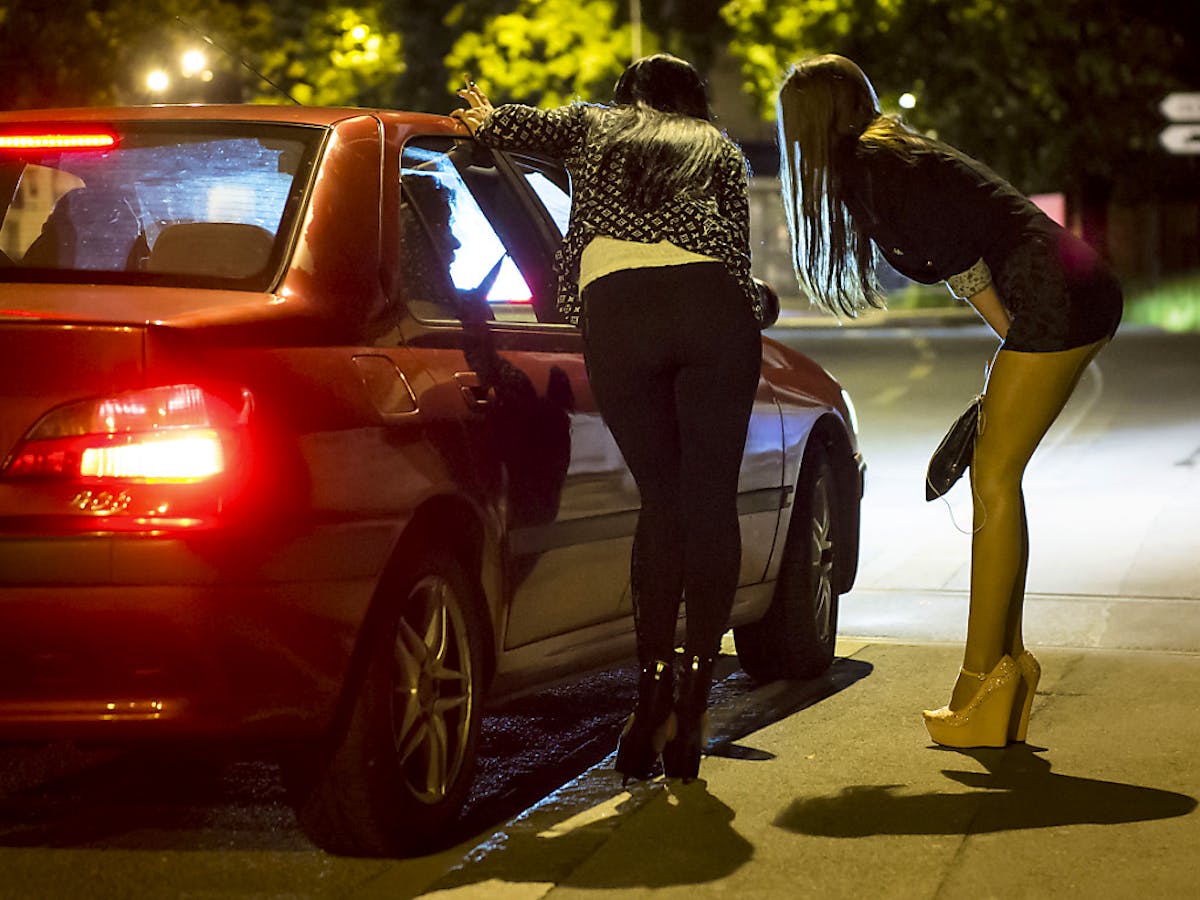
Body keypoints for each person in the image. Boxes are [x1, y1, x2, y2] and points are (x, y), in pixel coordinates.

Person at [776, 54, 1122, 749]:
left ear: (807, 125)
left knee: (993, 477)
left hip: (1057, 297)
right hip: (1064, 290)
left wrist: (1013, 344)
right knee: (998, 476)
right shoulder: (886, 153)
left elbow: (966, 263)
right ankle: (1002, 674)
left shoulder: (879, 163)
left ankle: (982, 680)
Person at [454, 54, 764, 782]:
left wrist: (485, 113)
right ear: (694, 101)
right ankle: (695, 692)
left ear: (624, 97)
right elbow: (740, 258)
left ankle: (651, 689)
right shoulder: (716, 147)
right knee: (710, 502)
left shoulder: (592, 124)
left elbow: (512, 125)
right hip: (714, 308)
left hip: (621, 310)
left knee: (662, 502)